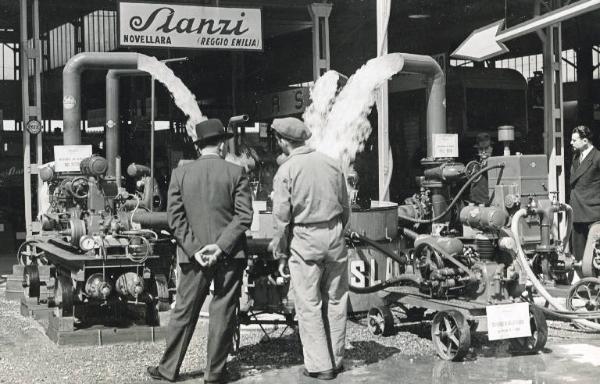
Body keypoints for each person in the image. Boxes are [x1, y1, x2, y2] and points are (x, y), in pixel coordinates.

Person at [147, 118, 253, 383]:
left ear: (199, 146)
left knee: (184, 310)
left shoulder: (180, 174)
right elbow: (244, 217)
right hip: (229, 256)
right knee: (223, 309)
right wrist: (220, 246)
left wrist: (195, 249)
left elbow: (175, 218)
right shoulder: (236, 173)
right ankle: (215, 373)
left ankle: (168, 369)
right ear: (220, 146)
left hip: (192, 257)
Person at [270, 117, 350, 380]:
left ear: (283, 141)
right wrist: (336, 231)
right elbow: (345, 207)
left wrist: (281, 252)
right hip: (335, 235)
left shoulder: (287, 170)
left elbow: (282, 220)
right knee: (336, 300)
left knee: (309, 304)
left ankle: (320, 366)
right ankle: (337, 360)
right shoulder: (331, 162)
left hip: (305, 238)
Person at [569, 125, 600, 273]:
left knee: (593, 253)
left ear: (585, 140)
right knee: (579, 251)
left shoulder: (598, 157)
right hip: (577, 210)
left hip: (592, 211)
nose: (571, 142)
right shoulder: (576, 157)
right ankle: (583, 283)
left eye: (574, 140)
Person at [468, 132, 496, 205]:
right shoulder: (473, 163)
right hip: (475, 200)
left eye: (486, 148)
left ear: (491, 148)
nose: (484, 152)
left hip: (490, 200)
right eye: (481, 149)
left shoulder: (496, 163)